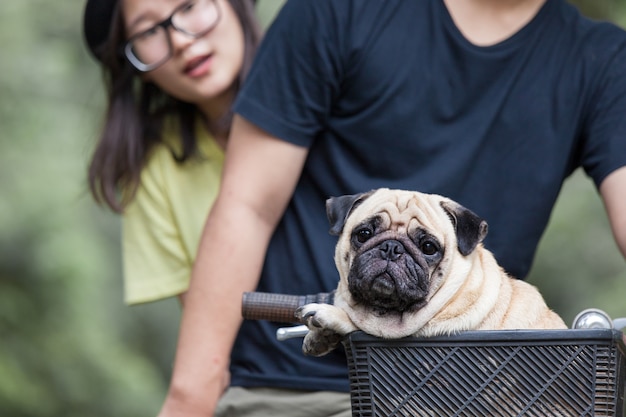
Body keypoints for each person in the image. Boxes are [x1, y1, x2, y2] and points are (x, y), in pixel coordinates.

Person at [156, 0, 626, 416]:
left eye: (422, 246)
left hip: (476, 391)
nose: (394, 253)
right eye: (368, 235)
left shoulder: (602, 61)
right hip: (300, 387)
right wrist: (190, 396)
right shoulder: (336, 9)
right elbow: (247, 205)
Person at [82, 0, 261, 305]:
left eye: (190, 6)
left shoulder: (334, 89)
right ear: (137, 66)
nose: (180, 41)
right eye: (148, 30)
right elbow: (206, 324)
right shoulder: (152, 170)